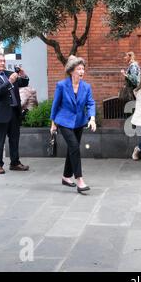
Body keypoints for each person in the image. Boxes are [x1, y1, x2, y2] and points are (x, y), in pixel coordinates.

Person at [50, 55, 96, 194]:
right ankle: (79, 180)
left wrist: (92, 118)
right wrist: (53, 124)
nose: (82, 71)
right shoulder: (62, 85)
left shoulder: (86, 87)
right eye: (79, 69)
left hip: (79, 122)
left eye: (83, 69)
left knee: (72, 148)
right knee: (74, 146)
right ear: (71, 71)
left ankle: (65, 176)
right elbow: (55, 105)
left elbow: (90, 103)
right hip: (63, 121)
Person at [0, 52, 30, 174]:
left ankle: (15, 163)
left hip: (14, 113)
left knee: (14, 139)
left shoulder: (10, 74)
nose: (3, 63)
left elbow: (24, 83)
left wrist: (23, 75)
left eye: (4, 61)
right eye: (0, 61)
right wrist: (9, 82)